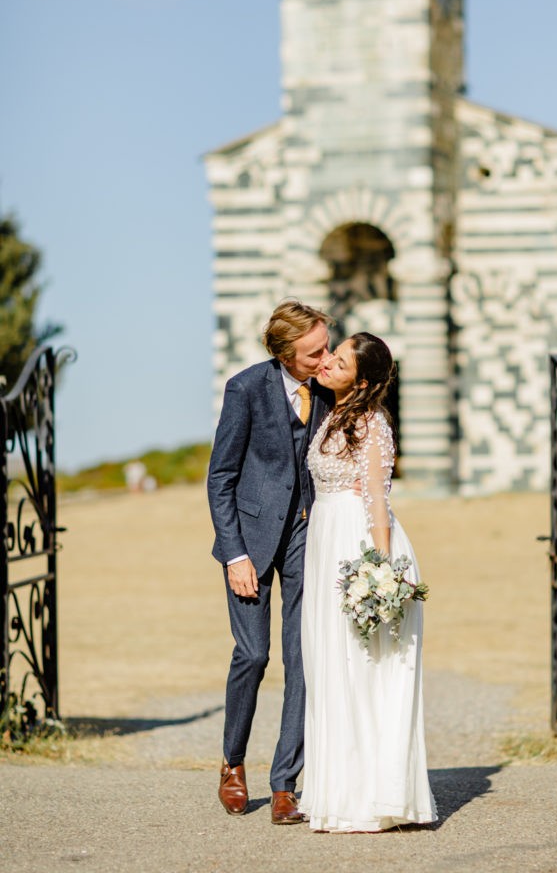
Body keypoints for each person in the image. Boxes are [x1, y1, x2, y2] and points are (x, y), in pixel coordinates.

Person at [299, 332, 437, 832]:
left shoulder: (371, 422)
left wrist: (379, 568)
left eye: (338, 361)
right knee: (331, 664)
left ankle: (372, 797)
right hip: (324, 543)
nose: (328, 364)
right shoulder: (330, 413)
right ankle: (336, 791)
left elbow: (377, 497)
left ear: (362, 379)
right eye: (330, 357)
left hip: (357, 544)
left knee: (362, 665)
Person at [207, 300, 334, 825]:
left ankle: (285, 784)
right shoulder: (245, 389)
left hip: (308, 534)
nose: (323, 358)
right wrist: (234, 553)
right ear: (284, 354)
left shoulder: (329, 387)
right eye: (313, 352)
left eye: (327, 345)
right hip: (251, 539)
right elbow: (221, 477)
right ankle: (232, 763)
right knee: (254, 656)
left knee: (303, 656)